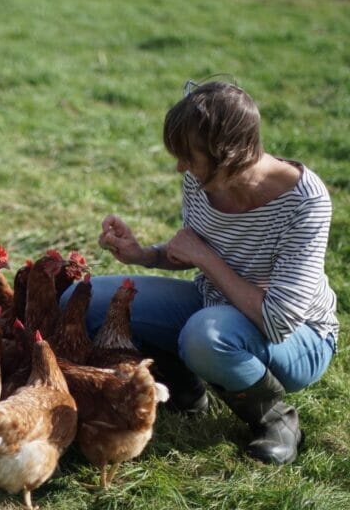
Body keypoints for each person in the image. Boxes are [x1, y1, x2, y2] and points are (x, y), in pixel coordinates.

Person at [61, 80, 339, 465]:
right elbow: (195, 248)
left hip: (300, 337)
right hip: (216, 305)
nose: (180, 167)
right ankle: (187, 393)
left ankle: (275, 419)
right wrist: (144, 254)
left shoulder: (305, 202)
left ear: (229, 153)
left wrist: (206, 258)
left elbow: (278, 319)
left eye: (188, 157)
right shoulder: (203, 178)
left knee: (204, 335)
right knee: (83, 301)